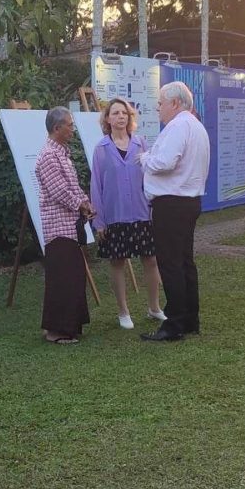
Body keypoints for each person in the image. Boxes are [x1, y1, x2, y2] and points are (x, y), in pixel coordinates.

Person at [139, 81, 210, 342]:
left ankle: (174, 324)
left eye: (160, 102)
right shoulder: (196, 126)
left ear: (175, 103)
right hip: (188, 201)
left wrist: (145, 159)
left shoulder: (178, 125)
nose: (158, 108)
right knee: (184, 262)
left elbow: (165, 162)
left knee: (171, 264)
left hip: (172, 203)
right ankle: (190, 318)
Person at [89, 97, 166, 330]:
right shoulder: (101, 149)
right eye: (115, 113)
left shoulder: (141, 143)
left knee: (151, 260)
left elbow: (151, 176)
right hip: (115, 216)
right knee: (117, 262)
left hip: (142, 213)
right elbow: (96, 186)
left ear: (130, 117)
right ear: (107, 119)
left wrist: (155, 207)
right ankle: (123, 311)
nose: (120, 116)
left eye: (124, 113)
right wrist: (99, 221)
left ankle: (154, 307)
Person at [35, 106, 96, 344]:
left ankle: (69, 326)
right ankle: (56, 331)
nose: (73, 129)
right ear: (57, 128)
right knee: (63, 279)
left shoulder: (62, 153)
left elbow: (72, 185)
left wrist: (85, 202)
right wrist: (80, 205)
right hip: (57, 227)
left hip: (69, 226)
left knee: (73, 276)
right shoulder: (49, 156)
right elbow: (59, 190)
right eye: (70, 125)